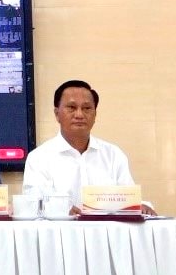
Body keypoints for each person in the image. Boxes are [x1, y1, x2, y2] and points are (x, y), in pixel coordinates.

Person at [23, 80, 154, 214]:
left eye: (87, 108)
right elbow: (33, 205)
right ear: (57, 114)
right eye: (71, 107)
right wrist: (59, 210)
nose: (79, 115)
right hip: (62, 227)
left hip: (106, 228)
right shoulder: (38, 158)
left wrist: (141, 207)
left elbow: (129, 200)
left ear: (95, 115)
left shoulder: (113, 155)